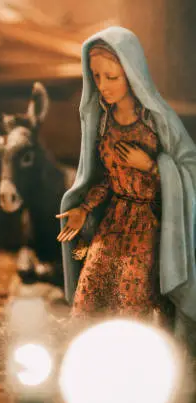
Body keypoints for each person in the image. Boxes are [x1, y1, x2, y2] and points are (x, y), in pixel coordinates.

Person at [57, 26, 196, 346]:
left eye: (112, 77)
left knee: (131, 295)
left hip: (147, 226)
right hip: (113, 222)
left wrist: (150, 165)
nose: (102, 86)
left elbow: (189, 172)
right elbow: (105, 178)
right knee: (92, 286)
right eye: (96, 77)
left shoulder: (157, 121)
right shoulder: (103, 121)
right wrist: (84, 208)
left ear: (131, 74)